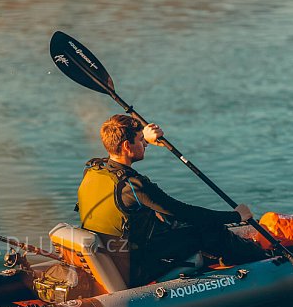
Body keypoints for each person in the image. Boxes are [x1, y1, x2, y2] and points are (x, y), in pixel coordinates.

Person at [77, 114, 269, 287]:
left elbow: (121, 154)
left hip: (113, 257)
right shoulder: (134, 186)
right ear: (127, 146)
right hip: (136, 267)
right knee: (208, 229)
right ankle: (265, 261)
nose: (145, 145)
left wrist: (147, 138)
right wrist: (236, 215)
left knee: (171, 222)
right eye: (141, 141)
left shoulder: (94, 170)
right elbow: (185, 212)